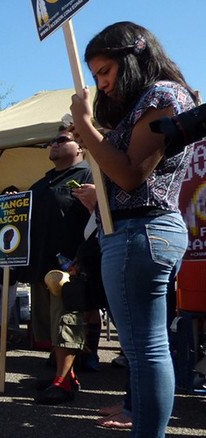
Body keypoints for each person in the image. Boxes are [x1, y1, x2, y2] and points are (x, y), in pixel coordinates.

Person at [69, 22, 196, 437]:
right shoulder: (155, 98)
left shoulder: (162, 95)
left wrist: (86, 128)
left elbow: (130, 176)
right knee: (146, 348)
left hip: (141, 232)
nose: (101, 84)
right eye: (95, 76)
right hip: (140, 231)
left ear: (132, 58)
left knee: (145, 350)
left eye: (105, 71)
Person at [14, 125, 92, 405]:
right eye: (52, 141)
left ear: (80, 147)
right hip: (40, 265)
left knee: (66, 323)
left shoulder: (89, 176)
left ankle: (64, 382)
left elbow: (98, 223)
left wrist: (83, 261)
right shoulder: (43, 182)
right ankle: (66, 376)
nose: (54, 144)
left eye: (61, 140)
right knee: (49, 325)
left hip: (69, 266)